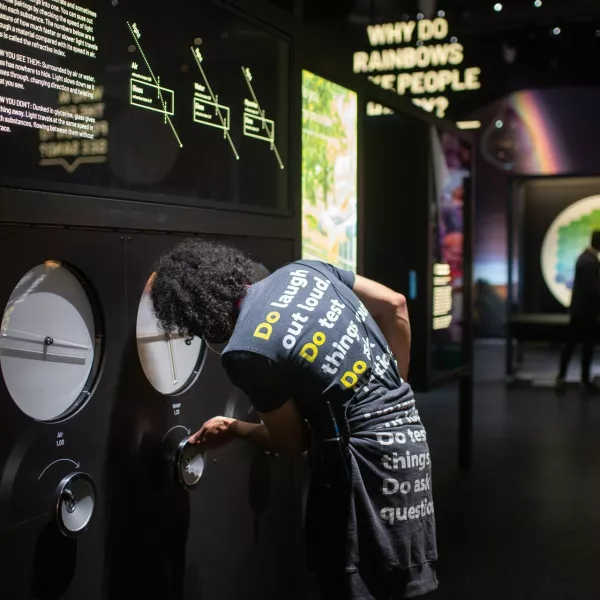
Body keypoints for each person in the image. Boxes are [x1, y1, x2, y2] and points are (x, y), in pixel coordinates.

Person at [150, 239, 438, 599]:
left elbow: (291, 441)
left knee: (352, 580)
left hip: (357, 465)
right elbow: (395, 305)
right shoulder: (306, 269)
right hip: (409, 442)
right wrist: (390, 398)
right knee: (404, 580)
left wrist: (235, 428)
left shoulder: (245, 349)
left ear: (197, 316)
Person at [557, 230, 600, 392]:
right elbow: (593, 290)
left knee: (571, 345)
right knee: (586, 347)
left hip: (579, 311)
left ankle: (562, 377)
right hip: (587, 312)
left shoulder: (584, 258)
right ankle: (584, 381)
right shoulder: (591, 262)